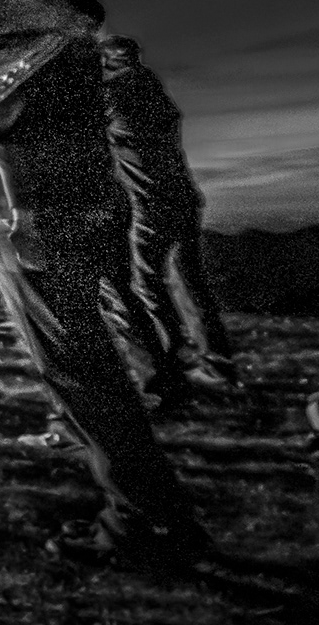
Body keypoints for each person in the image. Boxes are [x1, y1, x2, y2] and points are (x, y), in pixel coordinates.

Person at [0, 0, 211, 566]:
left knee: (79, 368)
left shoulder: (18, 54)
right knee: (91, 357)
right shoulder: (64, 40)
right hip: (89, 207)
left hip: (31, 221)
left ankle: (147, 519)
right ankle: (153, 505)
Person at [102, 35, 239, 393]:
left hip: (151, 203)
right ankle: (217, 366)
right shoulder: (153, 91)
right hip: (183, 196)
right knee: (187, 282)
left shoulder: (114, 95)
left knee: (146, 286)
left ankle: (170, 361)